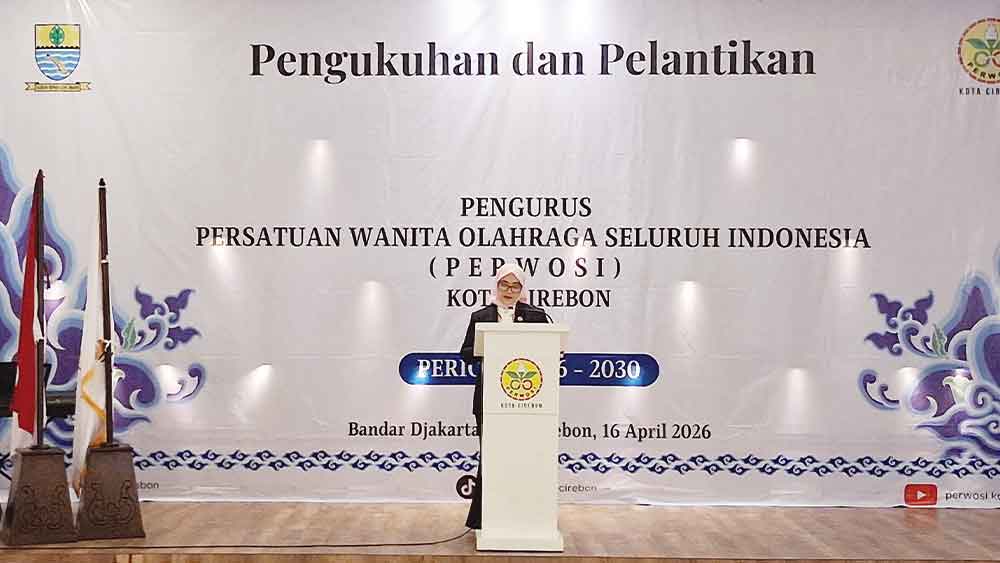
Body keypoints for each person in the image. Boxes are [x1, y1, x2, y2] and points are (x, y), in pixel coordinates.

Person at [459, 263, 548, 529]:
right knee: (491, 458)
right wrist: (486, 348)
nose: (509, 291)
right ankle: (483, 519)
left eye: (515, 286)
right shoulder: (480, 316)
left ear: (522, 289)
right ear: (496, 285)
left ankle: (525, 516)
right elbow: (465, 353)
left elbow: (549, 349)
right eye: (504, 285)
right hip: (489, 398)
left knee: (524, 457)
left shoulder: (535, 315)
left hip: (527, 400)